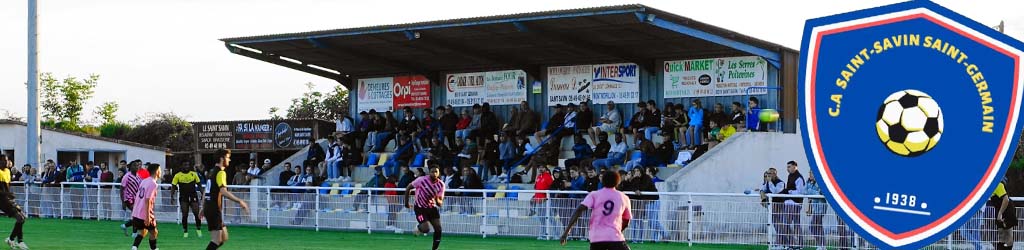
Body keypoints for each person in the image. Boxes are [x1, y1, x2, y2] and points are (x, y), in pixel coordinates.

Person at [559, 171, 632, 250]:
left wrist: (566, 232)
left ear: (602, 181)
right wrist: (618, 230)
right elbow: (626, 220)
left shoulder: (594, 195)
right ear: (618, 181)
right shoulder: (623, 197)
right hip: (614, 237)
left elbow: (579, 210)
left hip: (596, 237)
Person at [205, 149, 250, 250]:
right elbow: (223, 191)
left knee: (223, 237)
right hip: (213, 208)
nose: (229, 160)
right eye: (228, 157)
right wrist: (240, 201)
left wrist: (202, 207)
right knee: (216, 240)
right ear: (222, 158)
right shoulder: (220, 172)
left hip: (210, 207)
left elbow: (206, 190)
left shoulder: (212, 172)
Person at [404, 166, 446, 250]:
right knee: (426, 229)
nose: (434, 174)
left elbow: (440, 203)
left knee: (438, 228)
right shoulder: (421, 180)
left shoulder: (441, 184)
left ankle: (435, 248)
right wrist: (406, 203)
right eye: (432, 171)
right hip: (420, 207)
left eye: (436, 172)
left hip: (432, 207)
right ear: (429, 172)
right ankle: (419, 227)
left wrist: (437, 199)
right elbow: (408, 187)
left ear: (438, 173)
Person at [131, 163, 162, 250]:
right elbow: (147, 200)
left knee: (143, 231)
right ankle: (154, 249)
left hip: (137, 213)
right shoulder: (153, 184)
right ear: (156, 171)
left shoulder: (144, 181)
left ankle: (134, 247)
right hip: (144, 214)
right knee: (154, 232)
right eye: (160, 170)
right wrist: (147, 217)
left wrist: (134, 211)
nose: (161, 172)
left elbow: (138, 197)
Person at [0, 156, 27, 250]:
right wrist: (8, 194)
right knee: (20, 218)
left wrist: (9, 195)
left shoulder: (7, 171)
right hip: (2, 200)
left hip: (8, 199)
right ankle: (18, 241)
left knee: (23, 217)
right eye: (5, 160)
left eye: (7, 160)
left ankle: (13, 240)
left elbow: (6, 186)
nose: (7, 162)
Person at [171, 164, 204, 238]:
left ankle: (198, 230)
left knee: (196, 213)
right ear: (181, 166)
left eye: (187, 165)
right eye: (185, 165)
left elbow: (199, 185)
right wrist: (172, 196)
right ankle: (185, 231)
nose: (186, 167)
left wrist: (203, 194)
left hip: (193, 196)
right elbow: (173, 186)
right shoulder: (177, 175)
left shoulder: (194, 174)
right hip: (183, 197)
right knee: (185, 214)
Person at [990, 180, 1017, 250]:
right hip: (999, 209)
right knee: (1001, 234)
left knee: (1008, 234)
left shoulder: (998, 185)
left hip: (1007, 210)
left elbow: (1006, 199)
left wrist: (1000, 213)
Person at [120, 160, 142, 237]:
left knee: (137, 215)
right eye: (134, 165)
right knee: (137, 214)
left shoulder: (138, 176)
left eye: (137, 165)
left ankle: (125, 226)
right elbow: (121, 189)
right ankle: (134, 233)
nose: (136, 167)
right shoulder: (126, 176)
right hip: (129, 199)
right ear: (130, 167)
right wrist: (123, 202)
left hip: (137, 199)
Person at [804, 174, 826, 250]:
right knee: (817, 226)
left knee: (814, 226)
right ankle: (821, 245)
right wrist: (812, 192)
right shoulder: (808, 182)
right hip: (814, 207)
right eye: (809, 173)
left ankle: (822, 245)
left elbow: (820, 193)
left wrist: (810, 191)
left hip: (820, 206)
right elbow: (805, 191)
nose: (810, 175)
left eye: (812, 173)